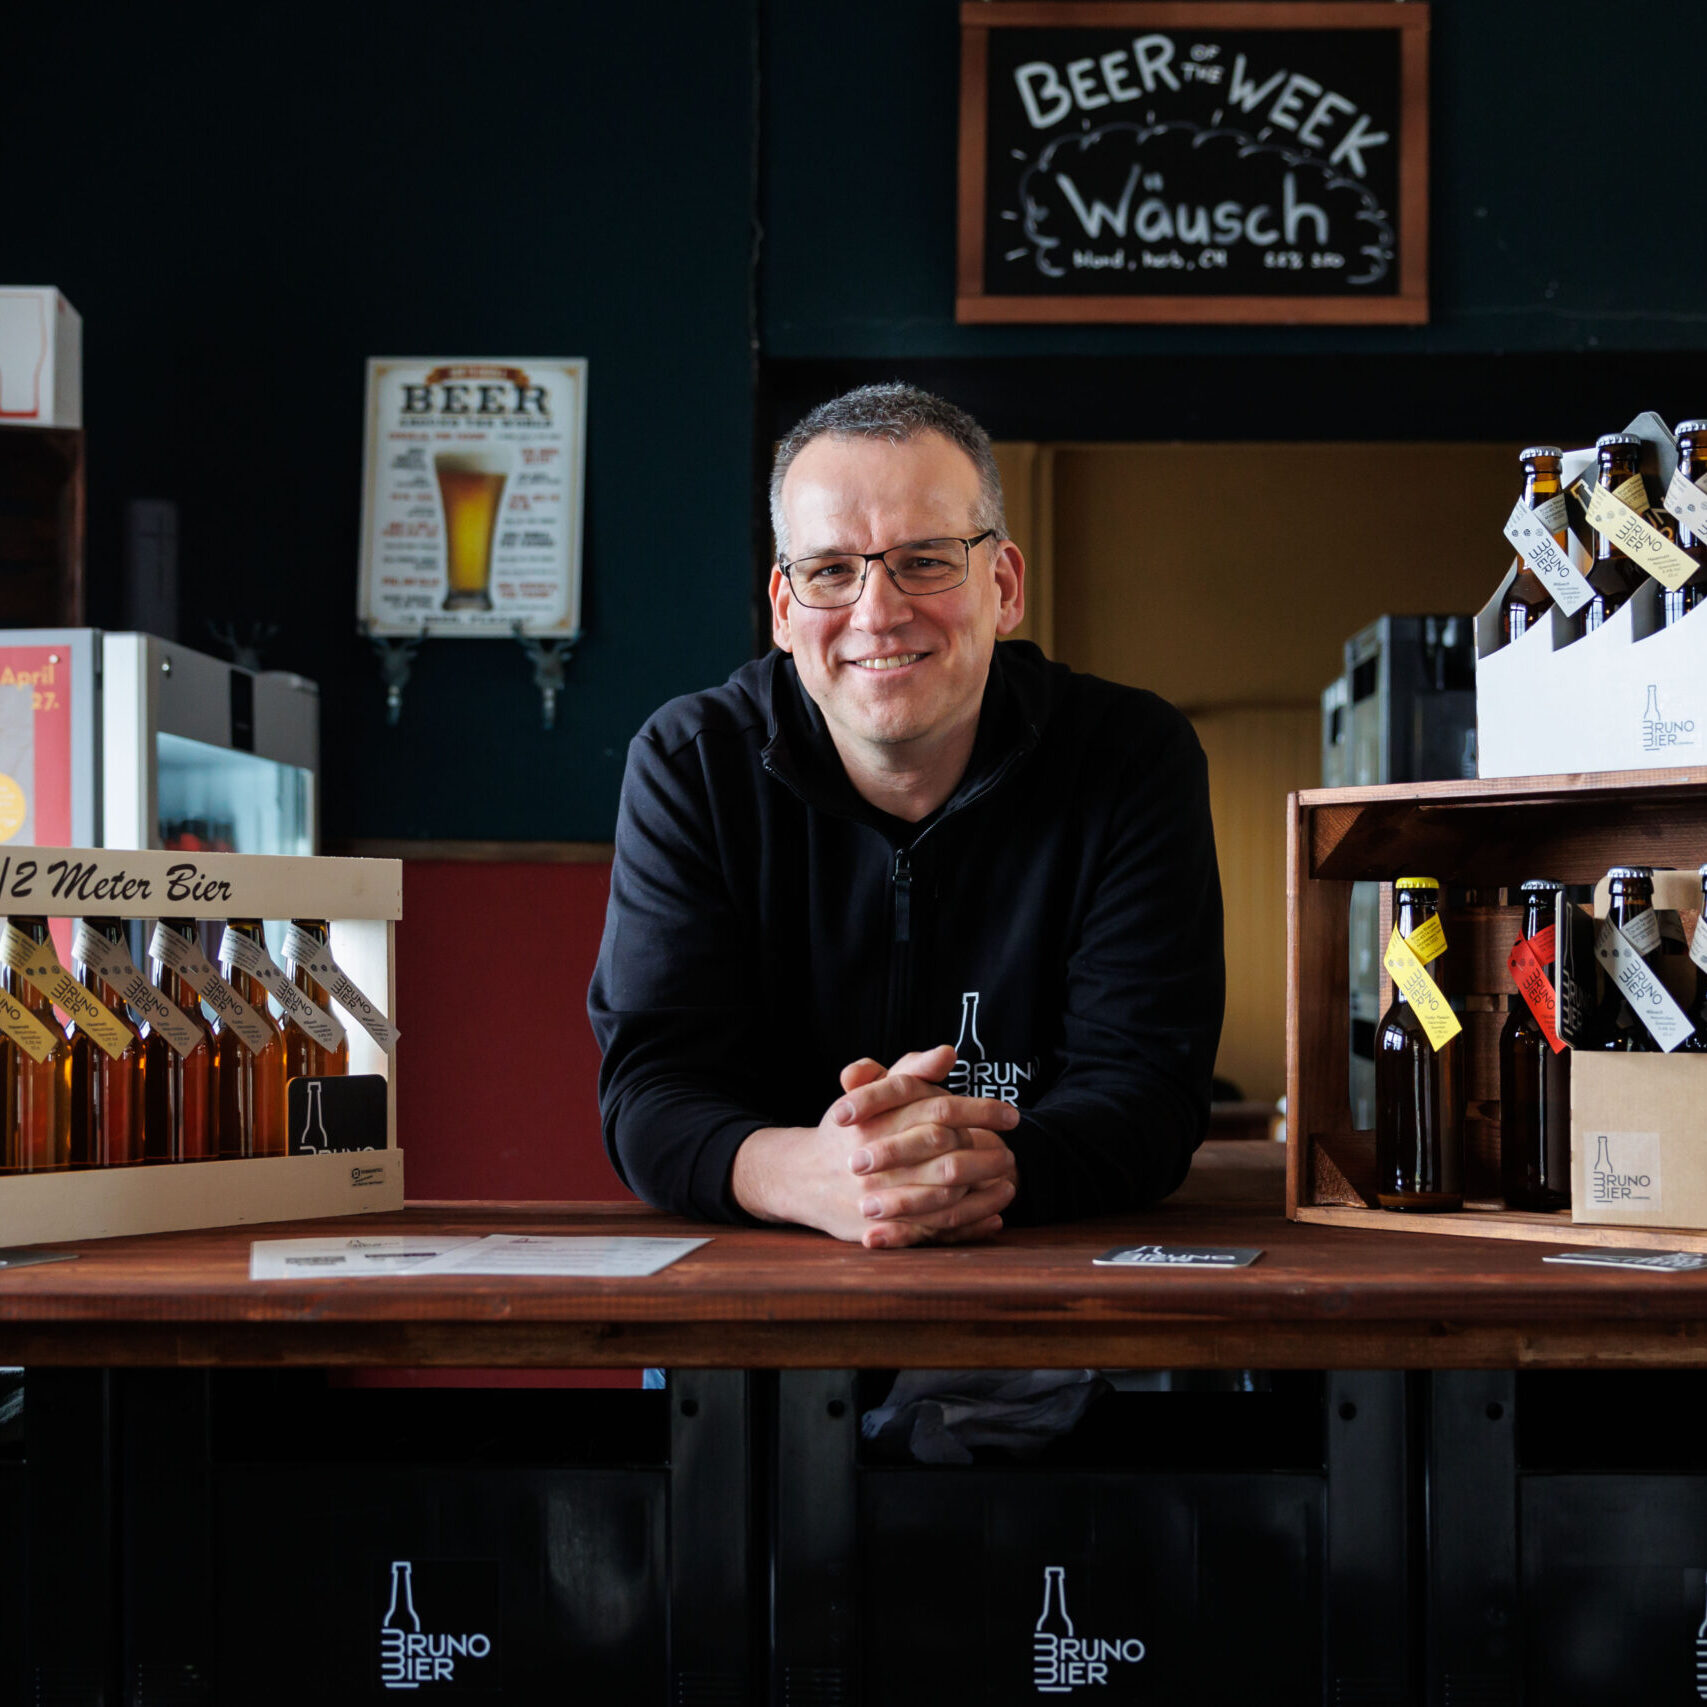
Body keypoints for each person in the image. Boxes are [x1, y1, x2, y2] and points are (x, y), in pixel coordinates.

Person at [588, 384, 1224, 1249]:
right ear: (783, 608)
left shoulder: (1131, 755)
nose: (877, 612)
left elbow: (1148, 1091)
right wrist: (816, 1171)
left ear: (1002, 586)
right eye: (830, 570)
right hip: (760, 1291)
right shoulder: (691, 763)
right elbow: (651, 1094)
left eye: (925, 559)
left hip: (1049, 1281)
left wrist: (968, 1171)